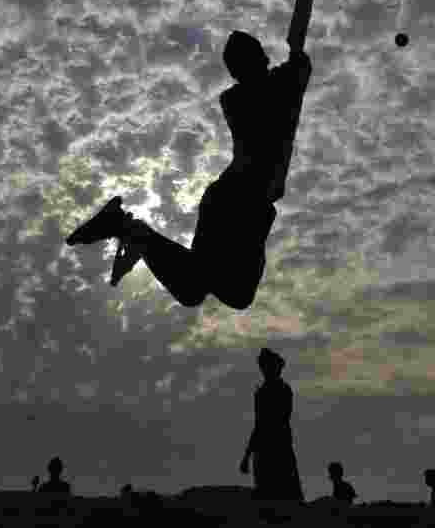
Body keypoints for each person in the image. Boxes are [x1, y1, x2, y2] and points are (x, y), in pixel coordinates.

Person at [65, 30, 312, 311]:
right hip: (235, 201)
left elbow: (292, 78)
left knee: (200, 289)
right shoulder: (240, 98)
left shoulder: (266, 89)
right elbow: (288, 79)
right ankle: (126, 228)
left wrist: (296, 63)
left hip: (244, 203)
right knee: (224, 292)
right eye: (244, 63)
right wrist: (297, 60)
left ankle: (129, 230)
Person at [239, 348, 304, 501]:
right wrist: (247, 455)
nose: (264, 369)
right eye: (263, 366)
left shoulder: (275, 391)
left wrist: (247, 455)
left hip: (276, 447)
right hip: (270, 447)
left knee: (280, 494)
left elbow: (267, 422)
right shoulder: (267, 391)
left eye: (267, 366)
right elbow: (260, 424)